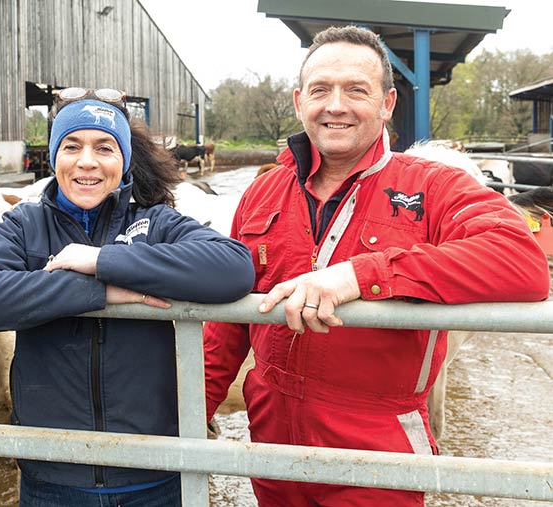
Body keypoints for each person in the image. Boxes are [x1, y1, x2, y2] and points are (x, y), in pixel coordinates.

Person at [203, 25, 551, 507]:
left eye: (356, 90)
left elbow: (521, 260)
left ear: (387, 104)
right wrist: (191, 411)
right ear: (300, 101)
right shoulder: (264, 192)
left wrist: (359, 275)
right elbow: (226, 322)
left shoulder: (434, 186)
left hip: (375, 451)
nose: (336, 105)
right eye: (321, 90)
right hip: (272, 446)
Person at [0, 88, 255, 506]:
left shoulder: (155, 221)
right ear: (54, 156)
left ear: (124, 159)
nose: (87, 161)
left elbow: (234, 268)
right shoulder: (25, 224)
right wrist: (96, 291)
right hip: (53, 475)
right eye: (71, 146)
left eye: (104, 147)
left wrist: (101, 260)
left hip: (151, 473)